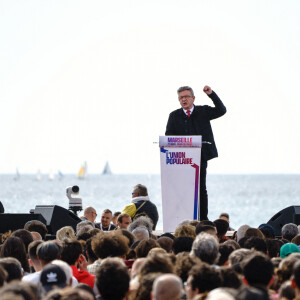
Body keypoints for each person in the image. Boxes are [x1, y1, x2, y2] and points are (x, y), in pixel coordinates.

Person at [165, 85, 226, 220]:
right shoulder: (174, 116)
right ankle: (183, 219)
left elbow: (222, 110)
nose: (184, 100)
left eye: (186, 97)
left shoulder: (203, 111)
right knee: (183, 190)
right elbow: (169, 136)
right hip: (181, 160)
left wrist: (211, 94)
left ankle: (203, 219)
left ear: (193, 98)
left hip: (200, 157)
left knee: (200, 189)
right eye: (181, 98)